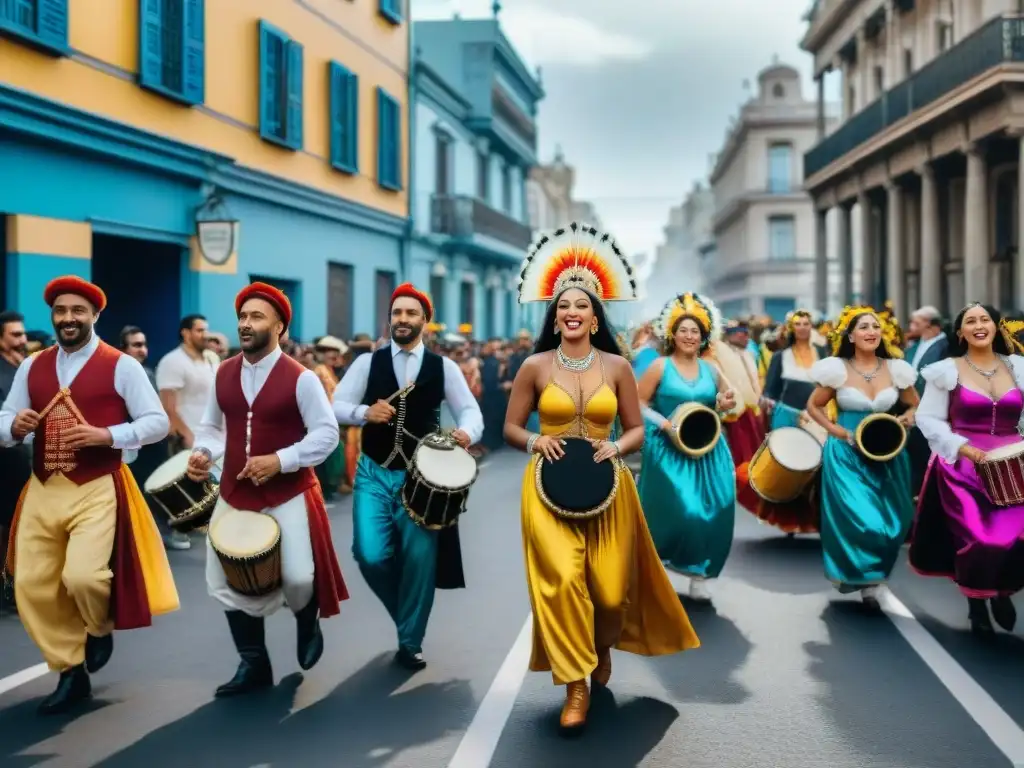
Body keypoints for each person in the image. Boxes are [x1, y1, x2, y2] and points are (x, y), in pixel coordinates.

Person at [504, 224, 699, 732]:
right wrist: (532, 440)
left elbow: (635, 429)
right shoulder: (534, 366)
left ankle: (602, 644)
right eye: (563, 305)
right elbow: (507, 426)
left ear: (595, 317)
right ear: (555, 315)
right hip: (546, 489)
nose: (571, 311)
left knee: (610, 595)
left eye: (581, 305)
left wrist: (615, 444)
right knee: (564, 582)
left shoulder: (617, 366)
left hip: (610, 488)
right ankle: (576, 684)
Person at [0, 275, 177, 714]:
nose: (68, 318)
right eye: (61, 311)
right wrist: (12, 426)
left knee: (84, 577)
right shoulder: (32, 365)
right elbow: (6, 415)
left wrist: (107, 434)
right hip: (42, 486)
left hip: (97, 485)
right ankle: (70, 670)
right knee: (30, 584)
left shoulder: (122, 365)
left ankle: (98, 628)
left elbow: (157, 422)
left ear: (96, 315)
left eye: (78, 311)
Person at [187, 282, 348, 697]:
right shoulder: (222, 372)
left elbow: (327, 434)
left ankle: (305, 615)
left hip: (287, 492)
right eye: (242, 316)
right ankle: (253, 663)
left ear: (281, 328)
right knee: (221, 579)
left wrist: (281, 460)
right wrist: (203, 452)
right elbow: (211, 427)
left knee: (297, 577)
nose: (245, 323)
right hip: (234, 493)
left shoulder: (303, 379)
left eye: (256, 316)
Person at [332, 283, 483, 671]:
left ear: (424, 321)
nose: (402, 319)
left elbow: (470, 411)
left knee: (420, 561)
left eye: (410, 313)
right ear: (390, 318)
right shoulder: (368, 362)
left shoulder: (443, 367)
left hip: (423, 479)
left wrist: (466, 433)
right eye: (397, 313)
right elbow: (335, 406)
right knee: (370, 554)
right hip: (373, 472)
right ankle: (406, 612)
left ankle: (410, 640)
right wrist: (364, 413)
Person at [911, 303, 1024, 634]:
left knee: (1017, 537)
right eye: (970, 320)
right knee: (982, 540)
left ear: (995, 327)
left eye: (985, 319)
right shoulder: (946, 370)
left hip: (1013, 467)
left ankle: (1002, 591)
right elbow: (928, 417)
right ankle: (977, 601)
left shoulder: (1018, 367)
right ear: (960, 332)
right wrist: (964, 449)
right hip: (963, 468)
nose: (979, 324)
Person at [805, 306, 919, 608]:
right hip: (847, 453)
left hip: (889, 452)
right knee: (860, 518)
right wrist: (838, 431)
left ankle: (874, 573)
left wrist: (908, 418)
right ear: (851, 336)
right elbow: (813, 407)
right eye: (864, 327)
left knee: (894, 523)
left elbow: (915, 405)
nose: (871, 332)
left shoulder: (896, 369)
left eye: (875, 326)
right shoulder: (836, 369)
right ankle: (866, 579)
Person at [637, 292, 737, 602]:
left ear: (703, 336)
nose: (689, 336)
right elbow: (637, 403)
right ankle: (661, 560)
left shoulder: (712, 369)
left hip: (709, 448)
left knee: (718, 508)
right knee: (685, 509)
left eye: (695, 331)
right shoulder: (659, 367)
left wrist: (725, 401)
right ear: (672, 335)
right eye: (684, 331)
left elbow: (727, 400)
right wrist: (663, 424)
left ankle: (700, 572)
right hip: (668, 449)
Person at [753, 309, 830, 534]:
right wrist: (768, 406)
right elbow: (770, 391)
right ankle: (788, 521)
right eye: (798, 324)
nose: (803, 327)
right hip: (787, 416)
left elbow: (829, 386)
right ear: (791, 329)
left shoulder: (821, 352)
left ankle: (818, 517)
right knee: (790, 468)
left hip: (816, 418)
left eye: (807, 323)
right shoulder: (780, 357)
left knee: (819, 467)